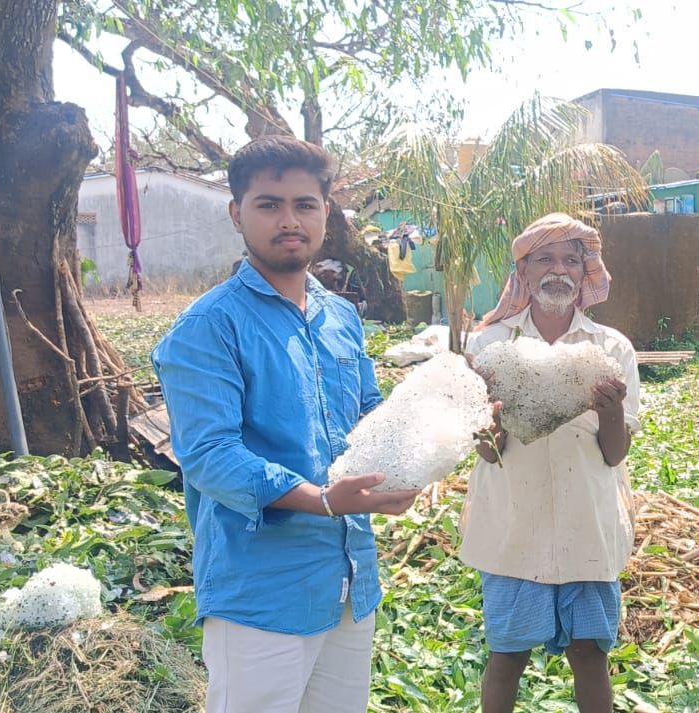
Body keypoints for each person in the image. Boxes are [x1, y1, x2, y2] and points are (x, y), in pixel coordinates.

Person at [151, 135, 421, 713]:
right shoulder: (210, 326)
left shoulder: (341, 316)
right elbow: (208, 455)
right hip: (262, 593)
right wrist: (322, 500)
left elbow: (367, 417)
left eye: (305, 204)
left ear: (326, 213)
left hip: (351, 580)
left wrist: (445, 427)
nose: (289, 220)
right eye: (268, 204)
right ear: (237, 214)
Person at [461, 213, 641, 713]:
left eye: (570, 259)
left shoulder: (610, 348)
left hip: (589, 519)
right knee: (507, 654)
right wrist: (493, 424)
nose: (557, 269)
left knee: (589, 652)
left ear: (587, 271)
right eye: (545, 258)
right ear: (523, 272)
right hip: (513, 523)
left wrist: (609, 412)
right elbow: (484, 450)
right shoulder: (490, 345)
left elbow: (615, 453)